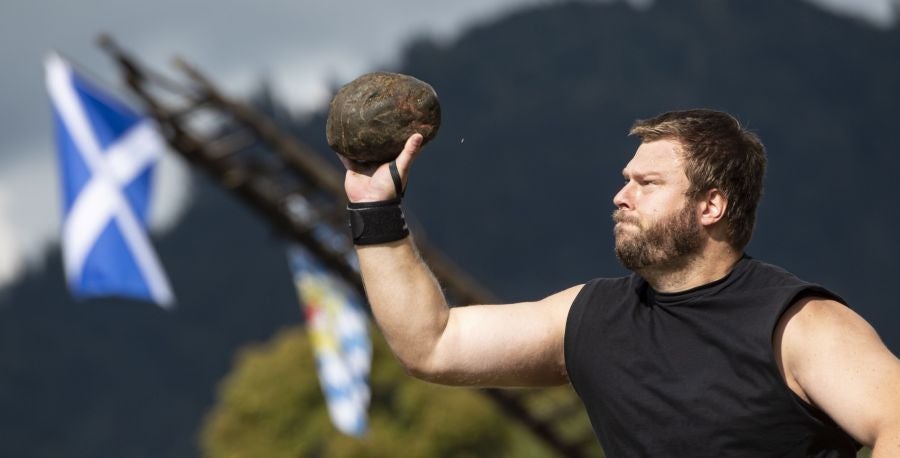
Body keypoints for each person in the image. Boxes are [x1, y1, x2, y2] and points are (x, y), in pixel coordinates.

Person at [339, 109, 900, 456]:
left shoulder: (800, 325)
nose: (621, 196)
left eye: (646, 183)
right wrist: (374, 208)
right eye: (625, 180)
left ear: (711, 206)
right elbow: (431, 344)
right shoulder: (592, 317)